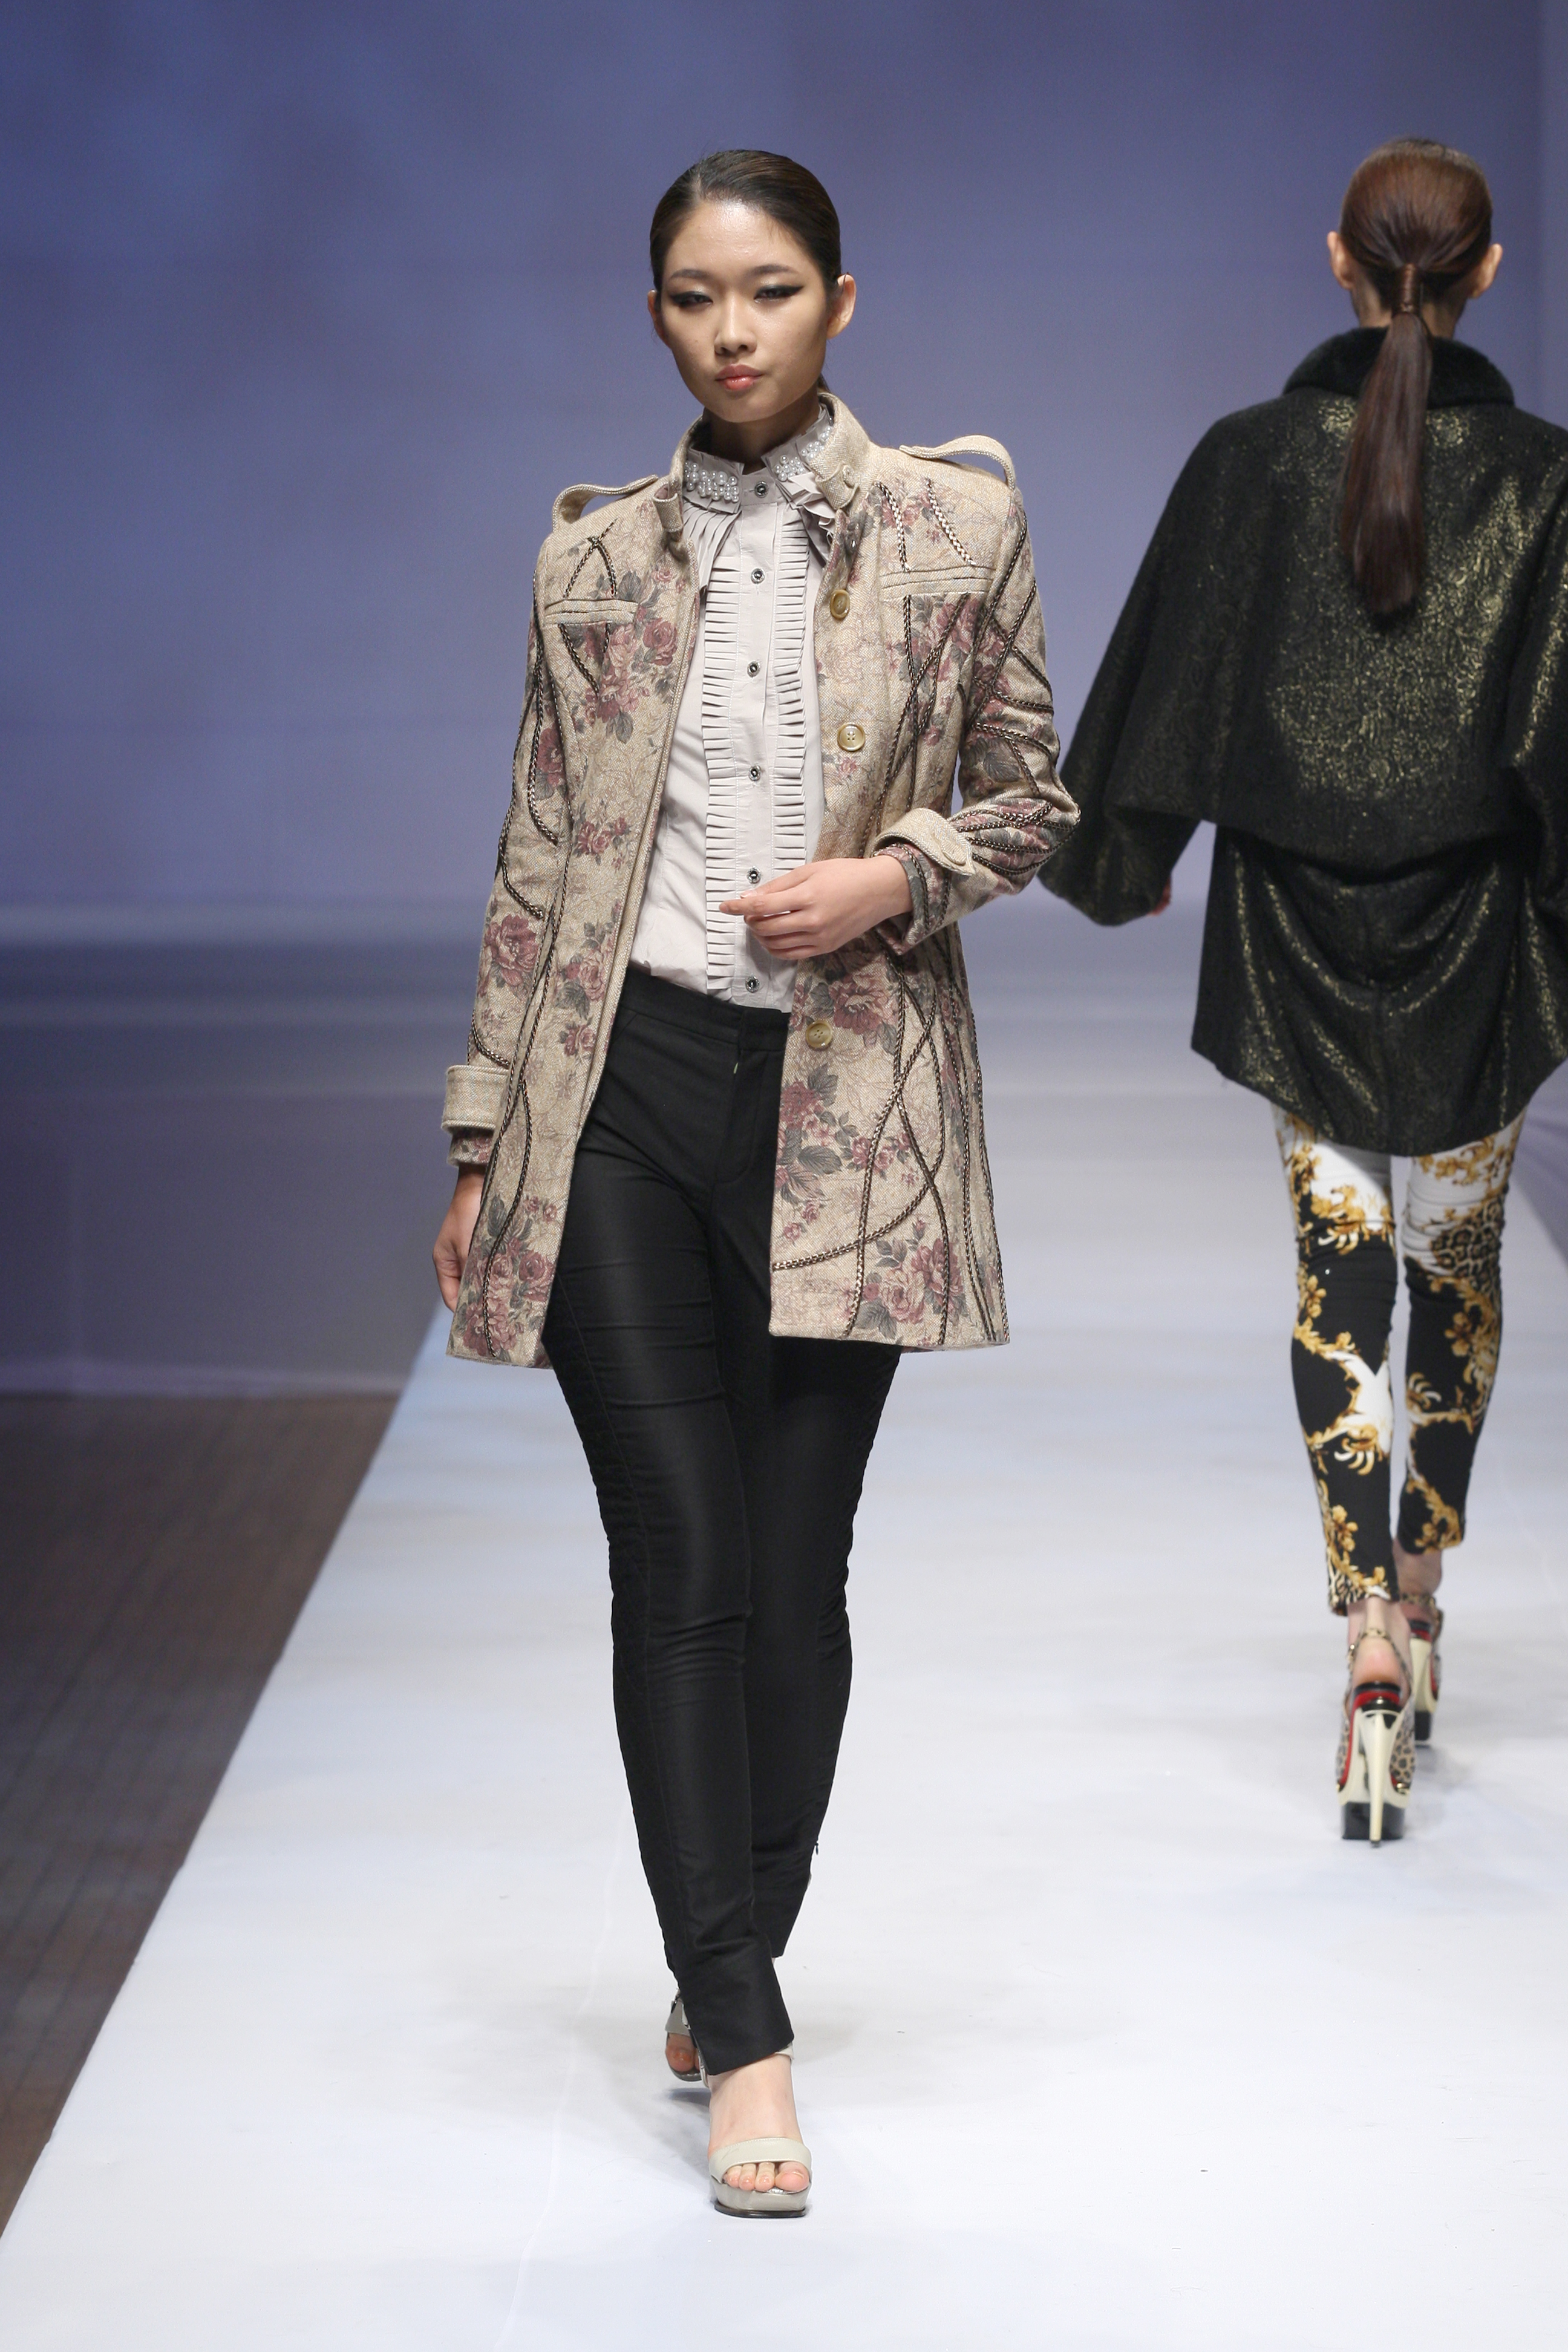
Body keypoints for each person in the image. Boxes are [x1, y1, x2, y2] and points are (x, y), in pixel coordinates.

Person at [433, 149, 1074, 2209]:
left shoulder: (958, 523)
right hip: (621, 1084)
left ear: (839, 303)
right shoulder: (589, 563)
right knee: (680, 1554)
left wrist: (895, 875)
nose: (735, 329)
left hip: (849, 1099)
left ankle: (733, 1948)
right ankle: (747, 2028)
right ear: (656, 318)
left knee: (797, 1576)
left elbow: (1035, 795)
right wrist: (484, 1129)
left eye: (773, 289)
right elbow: (540, 849)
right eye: (698, 296)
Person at [1043, 138, 1568, 1844]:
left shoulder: (1251, 460)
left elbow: (1175, 674)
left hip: (1294, 929)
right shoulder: (1548, 482)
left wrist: (1125, 857)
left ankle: (1361, 1638)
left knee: (1338, 1275)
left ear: (1335, 262)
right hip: (1483, 933)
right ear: (1489, 274)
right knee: (1458, 1270)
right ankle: (1420, 1596)